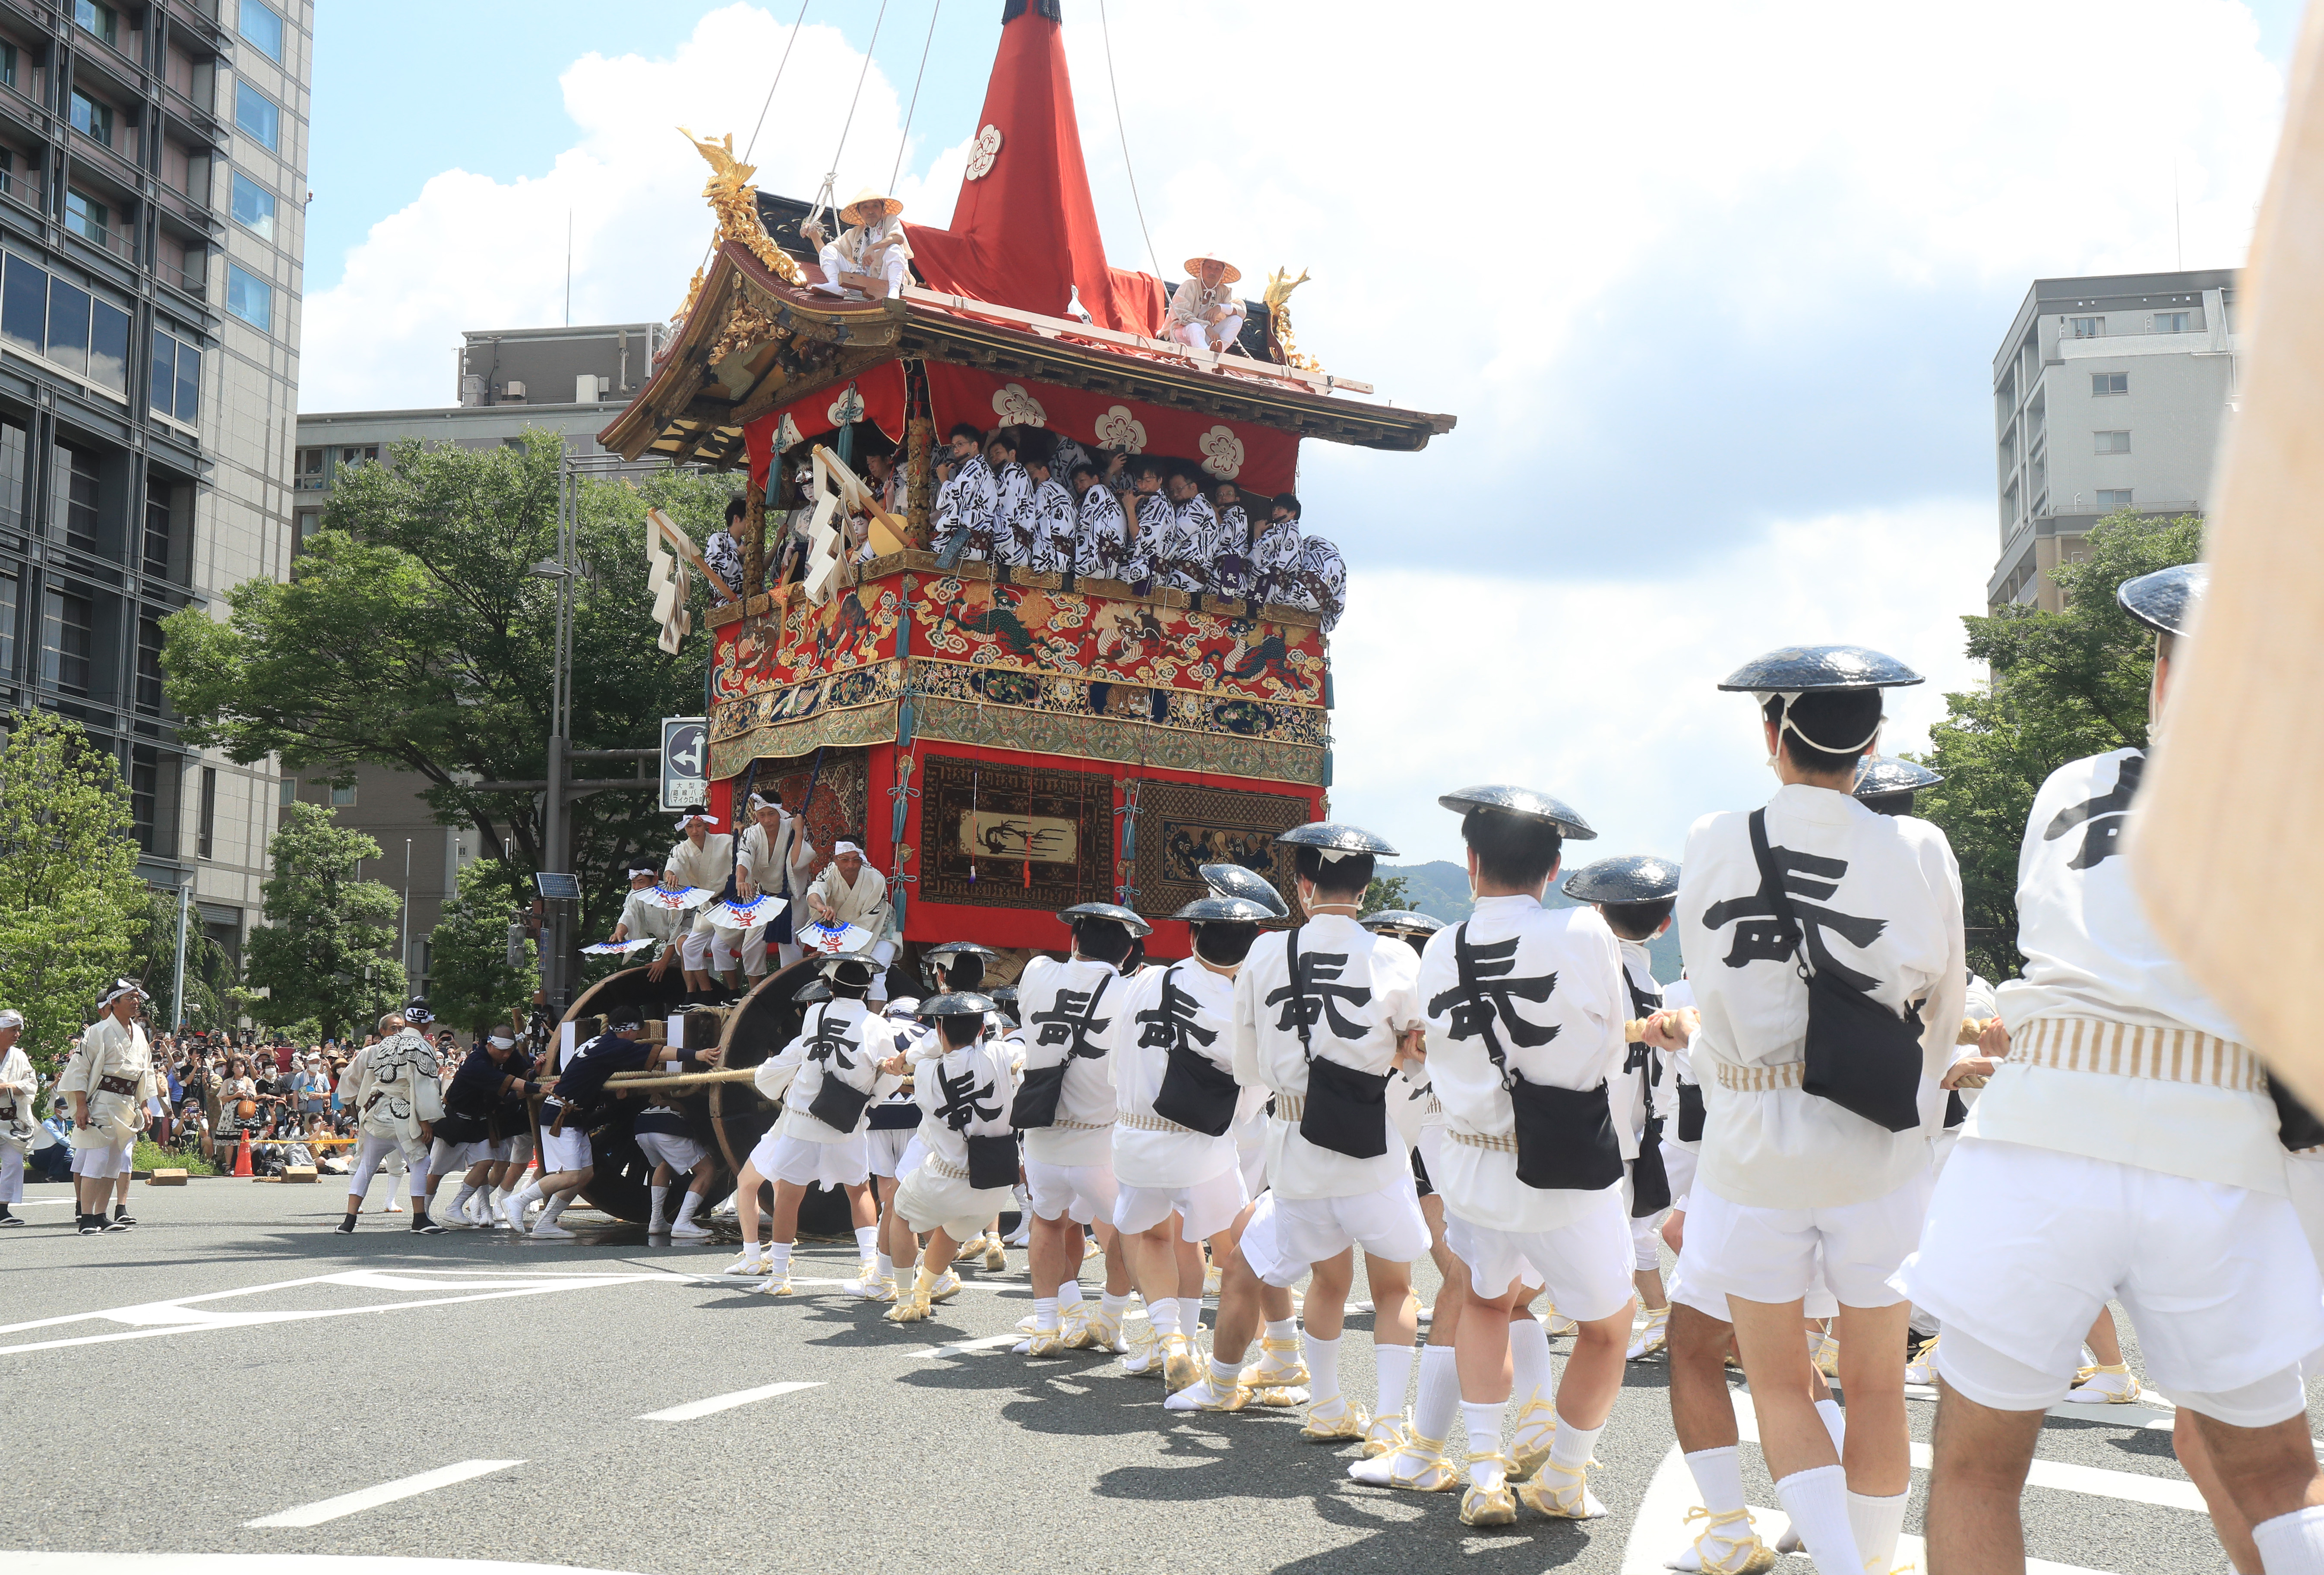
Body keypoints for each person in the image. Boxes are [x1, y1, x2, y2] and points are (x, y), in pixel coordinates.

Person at [1900, 564, 2324, 1575]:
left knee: (1975, 1470)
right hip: (2221, 1146)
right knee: (2275, 1477)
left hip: (2042, 1131)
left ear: (2171, 681)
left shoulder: (2072, 785)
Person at [1663, 644, 1964, 1575]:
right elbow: (1945, 1005)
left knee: (1782, 1378)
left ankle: (1840, 1567)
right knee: (1875, 1384)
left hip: (1754, 1139)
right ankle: (1869, 1562)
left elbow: (1705, 984)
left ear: (1770, 736)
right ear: (1872, 747)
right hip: (1876, 1139)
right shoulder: (1917, 847)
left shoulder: (1714, 837)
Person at [1173, 823, 1426, 1452]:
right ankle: (1389, 1423)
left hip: (1295, 1143)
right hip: (1369, 1138)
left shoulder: (1263, 954)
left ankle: (1327, 1405)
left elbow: (1248, 1065)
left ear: (1303, 885)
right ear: (1365, 890)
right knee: (1394, 1287)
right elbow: (1421, 1048)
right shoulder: (1395, 956)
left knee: (1326, 1279)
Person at [1107, 890, 1289, 1381]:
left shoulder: (1143, 982)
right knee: (1238, 1247)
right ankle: (1279, 1349)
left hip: (1134, 1136)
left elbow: (1116, 1063)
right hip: (1200, 1144)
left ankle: (1172, 1343)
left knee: (1153, 1236)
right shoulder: (1239, 1006)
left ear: (1191, 937)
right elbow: (1253, 1091)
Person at [1562, 853, 1685, 1362]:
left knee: (1605, 1233)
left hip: (1590, 1125)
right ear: (1665, 924)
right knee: (1632, 1227)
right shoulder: (1655, 985)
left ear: (1595, 909)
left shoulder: (1585, 967)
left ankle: (1636, 1317)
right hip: (1645, 1123)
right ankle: (1643, 1314)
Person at [1014, 905, 1145, 1367]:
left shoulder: (1036, 973)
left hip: (1044, 1134)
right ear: (1127, 952)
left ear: (1074, 942)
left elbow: (1043, 965)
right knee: (1128, 1233)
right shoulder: (1132, 992)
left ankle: (1048, 1324)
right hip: (1103, 1139)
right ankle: (1110, 1320)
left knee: (1046, 1224)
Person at [737, 948, 902, 1293]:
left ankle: (780, 1277)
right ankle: (869, 1266)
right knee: (859, 1191)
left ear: (829, 986)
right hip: (848, 1123)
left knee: (789, 1196)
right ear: (867, 988)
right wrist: (868, 1100)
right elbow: (893, 1076)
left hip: (803, 1119)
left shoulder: (815, 1015)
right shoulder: (877, 1025)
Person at [883, 990, 1020, 1323]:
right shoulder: (1004, 1055)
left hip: (947, 1177)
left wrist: (901, 1060)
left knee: (899, 1213)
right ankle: (923, 1292)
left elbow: (927, 1050)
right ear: (980, 1031)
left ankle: (904, 1299)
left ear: (939, 1030)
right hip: (996, 1185)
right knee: (952, 1231)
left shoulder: (927, 1072)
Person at [335, 1003, 449, 1236]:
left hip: (375, 1112)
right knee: (420, 1162)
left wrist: (357, 1107)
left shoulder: (382, 1045)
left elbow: (353, 1077)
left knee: (366, 1166)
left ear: (407, 1021)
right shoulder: (422, 1046)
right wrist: (426, 1120)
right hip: (403, 1114)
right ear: (427, 1023)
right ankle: (420, 1219)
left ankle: (348, 1221)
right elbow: (425, 1086)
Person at [61, 981, 156, 1234]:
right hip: (102, 1099)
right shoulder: (98, 1031)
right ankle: (87, 1218)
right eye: (129, 998)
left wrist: (144, 1104)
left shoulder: (139, 1033)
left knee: (114, 1162)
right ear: (114, 1003)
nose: (136, 1002)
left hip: (127, 1102)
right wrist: (81, 1105)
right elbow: (80, 1070)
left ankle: (102, 1215)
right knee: (97, 1159)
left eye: (137, 997)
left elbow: (146, 1071)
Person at [803, 841, 894, 1002]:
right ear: (835, 859)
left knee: (876, 975)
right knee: (835, 972)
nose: (851, 865)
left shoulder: (876, 879)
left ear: (862, 859)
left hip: (881, 930)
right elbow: (815, 891)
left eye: (856, 860)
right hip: (845, 935)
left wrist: (833, 948)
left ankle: (875, 1022)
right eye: (845, 860)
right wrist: (821, 906)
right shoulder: (829, 874)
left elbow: (868, 923)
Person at [666, 811, 737, 1003]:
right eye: (689, 827)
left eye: (698, 826)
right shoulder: (682, 849)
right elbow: (673, 864)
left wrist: (742, 836)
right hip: (707, 906)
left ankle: (734, 991)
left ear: (706, 825)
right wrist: (670, 874)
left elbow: (745, 859)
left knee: (718, 946)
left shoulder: (726, 841)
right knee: (689, 947)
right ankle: (705, 993)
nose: (694, 831)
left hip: (730, 904)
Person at [806, 188, 911, 300]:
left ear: (882, 209)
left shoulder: (889, 220)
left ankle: (894, 292)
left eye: (875, 206)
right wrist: (814, 235)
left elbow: (899, 239)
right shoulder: (856, 232)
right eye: (865, 207)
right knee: (829, 250)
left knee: (894, 248)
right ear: (859, 212)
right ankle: (835, 284)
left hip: (885, 281)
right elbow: (826, 253)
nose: (871, 211)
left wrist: (873, 247)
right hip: (861, 283)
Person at [608, 860, 689, 981]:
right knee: (655, 976)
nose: (636, 887)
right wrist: (619, 933)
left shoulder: (672, 895)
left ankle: (694, 994)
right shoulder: (635, 894)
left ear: (655, 879)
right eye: (633, 883)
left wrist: (663, 962)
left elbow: (676, 931)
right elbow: (629, 914)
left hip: (687, 937)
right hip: (667, 944)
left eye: (641, 882)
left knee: (684, 956)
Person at [932, 423, 996, 566]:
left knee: (930, 552)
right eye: (954, 446)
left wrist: (944, 478)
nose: (956, 450)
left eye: (960, 444)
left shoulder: (975, 467)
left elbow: (947, 501)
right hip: (977, 540)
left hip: (967, 539)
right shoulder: (981, 469)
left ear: (974, 446)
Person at [1167, 252, 1246, 352]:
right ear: (1202, 269)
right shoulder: (1189, 286)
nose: (1213, 272)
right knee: (1195, 327)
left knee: (1237, 320)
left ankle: (1215, 353)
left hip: (1204, 339)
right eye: (1209, 267)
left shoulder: (1223, 291)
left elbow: (1242, 311)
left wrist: (1220, 308)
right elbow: (1181, 315)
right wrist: (1207, 328)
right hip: (1181, 335)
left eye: (1217, 269)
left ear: (1222, 273)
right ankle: (1206, 354)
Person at [0, 1009, 36, 1227]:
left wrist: (8, 1087)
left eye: (19, 1030)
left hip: (13, 1120)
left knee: (14, 1163)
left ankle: (3, 1209)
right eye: (13, 1030)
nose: (17, 1034)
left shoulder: (19, 1056)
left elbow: (32, 1084)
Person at [1159, 468, 1219, 595]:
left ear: (1193, 487)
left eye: (1179, 489)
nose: (1175, 494)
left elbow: (1176, 535)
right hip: (1191, 575)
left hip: (1184, 574)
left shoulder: (1196, 505)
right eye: (1171, 491)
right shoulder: (1199, 505)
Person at [1069, 461, 1129, 582]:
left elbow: (1083, 527)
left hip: (1100, 564)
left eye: (1082, 481)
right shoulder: (1103, 496)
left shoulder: (1097, 491)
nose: (1079, 487)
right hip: (1109, 563)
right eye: (1076, 485)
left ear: (1096, 479)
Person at [1024, 452, 1076, 576]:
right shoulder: (1064, 492)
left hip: (1050, 559)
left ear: (1044, 470)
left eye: (1030, 473)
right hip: (1066, 559)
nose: (1029, 479)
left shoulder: (1044, 488)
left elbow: (1037, 521)